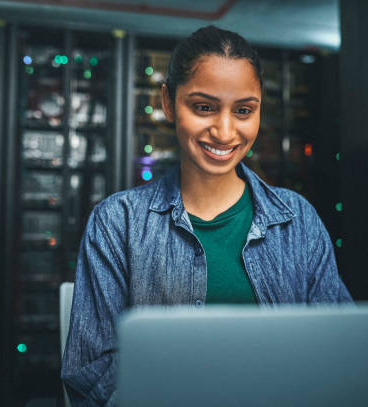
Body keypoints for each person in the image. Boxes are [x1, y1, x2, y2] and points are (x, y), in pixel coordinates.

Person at [61, 25, 353, 406]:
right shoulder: (117, 222)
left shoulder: (298, 219)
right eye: (204, 107)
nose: (224, 131)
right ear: (168, 102)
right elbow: (91, 369)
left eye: (244, 110)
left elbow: (340, 348)